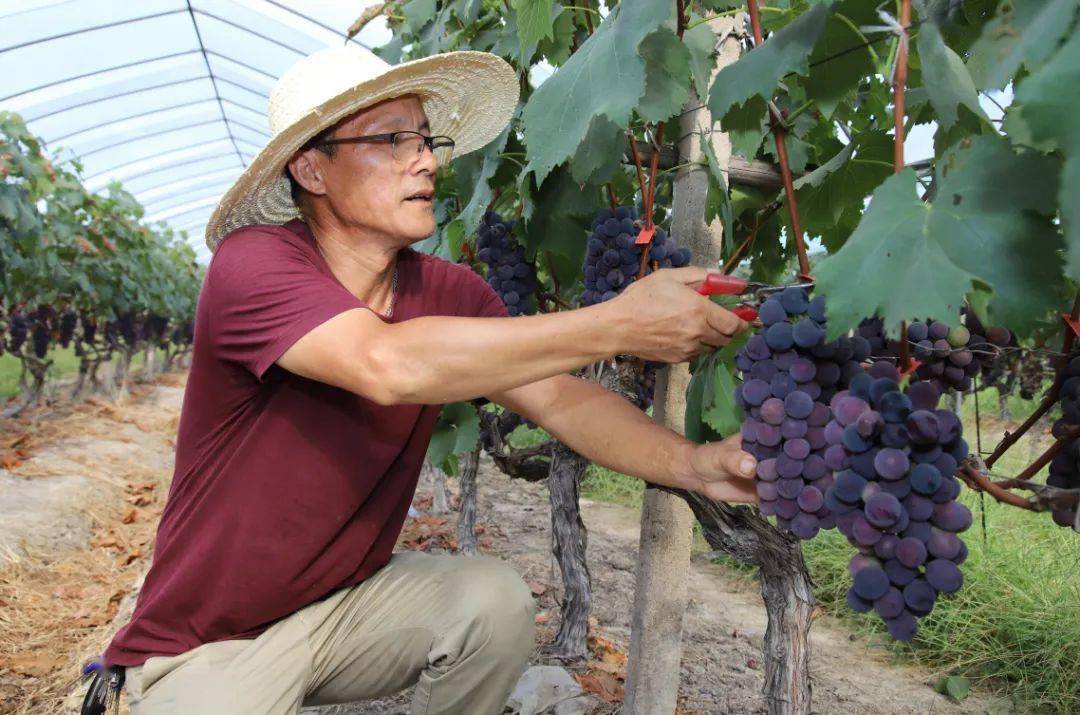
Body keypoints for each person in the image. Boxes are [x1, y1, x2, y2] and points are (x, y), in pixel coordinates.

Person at [92, 45, 756, 714]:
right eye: (391, 140)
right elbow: (384, 364)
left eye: (427, 140)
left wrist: (696, 464)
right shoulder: (254, 265)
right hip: (208, 643)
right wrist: (616, 324)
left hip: (342, 609)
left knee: (491, 605)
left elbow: (560, 396)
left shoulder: (449, 291)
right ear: (311, 169)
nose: (429, 160)